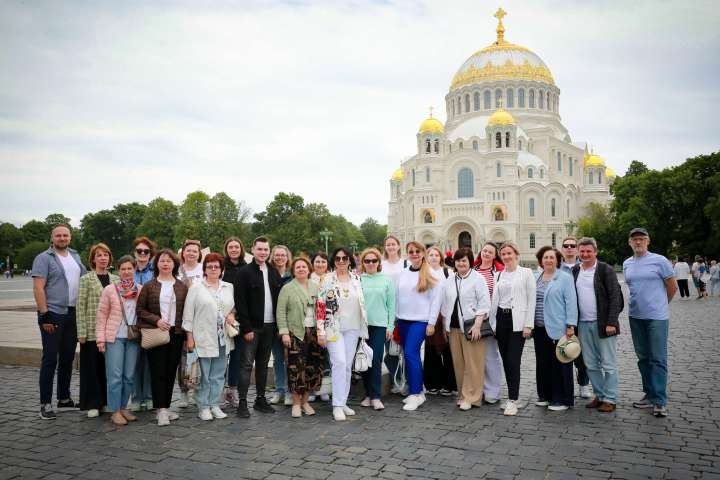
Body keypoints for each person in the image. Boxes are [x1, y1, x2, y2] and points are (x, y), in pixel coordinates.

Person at [32, 224, 87, 419]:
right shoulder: (44, 258)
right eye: (58, 235)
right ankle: (45, 403)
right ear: (52, 237)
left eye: (65, 235)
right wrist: (43, 313)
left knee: (67, 357)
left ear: (70, 237)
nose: (62, 238)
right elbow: (39, 288)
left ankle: (64, 398)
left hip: (72, 313)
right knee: (50, 358)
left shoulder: (75, 255)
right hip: (53, 313)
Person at [623, 227, 678, 418]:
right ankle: (649, 393)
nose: (638, 242)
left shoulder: (660, 261)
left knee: (658, 358)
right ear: (630, 242)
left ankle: (659, 401)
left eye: (641, 239)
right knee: (643, 357)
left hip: (657, 317)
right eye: (634, 239)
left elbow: (672, 286)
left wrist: (661, 305)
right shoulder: (627, 263)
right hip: (635, 316)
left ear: (648, 241)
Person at [136, 249, 189, 426]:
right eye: (162, 261)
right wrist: (157, 320)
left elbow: (188, 311)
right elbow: (140, 310)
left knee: (170, 372)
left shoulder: (181, 286)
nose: (165, 264)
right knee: (158, 371)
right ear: (156, 264)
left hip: (176, 334)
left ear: (174, 264)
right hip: (156, 332)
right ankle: (161, 410)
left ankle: (165, 406)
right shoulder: (149, 286)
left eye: (169, 261)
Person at [182, 253, 235, 421]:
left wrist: (232, 314)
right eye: (210, 266)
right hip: (203, 337)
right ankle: (203, 406)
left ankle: (214, 404)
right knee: (204, 374)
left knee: (219, 374)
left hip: (223, 337)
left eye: (216, 266)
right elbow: (188, 315)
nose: (213, 269)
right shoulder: (196, 288)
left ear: (221, 269)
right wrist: (189, 337)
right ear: (204, 269)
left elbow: (232, 307)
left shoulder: (228, 287)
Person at [572, 237, 623, 413]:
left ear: (595, 252)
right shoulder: (576, 271)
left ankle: (610, 398)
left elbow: (615, 297)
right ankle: (600, 395)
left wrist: (611, 322)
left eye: (589, 251)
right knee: (590, 364)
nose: (585, 254)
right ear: (579, 252)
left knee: (608, 363)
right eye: (582, 251)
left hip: (603, 324)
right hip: (583, 324)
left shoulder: (604, 269)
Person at [234, 236, 282, 418]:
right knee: (246, 365)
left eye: (265, 250)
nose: (263, 252)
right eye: (259, 249)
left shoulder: (273, 272)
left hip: (270, 326)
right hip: (252, 327)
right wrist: (246, 328)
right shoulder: (244, 273)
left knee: (262, 364)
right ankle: (243, 402)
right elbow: (240, 302)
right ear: (252, 250)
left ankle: (260, 399)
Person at [318, 247, 368, 421]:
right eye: (338, 258)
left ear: (349, 260)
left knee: (347, 366)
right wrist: (321, 331)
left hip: (353, 327)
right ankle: (337, 405)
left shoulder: (356, 278)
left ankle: (343, 401)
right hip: (333, 328)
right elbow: (320, 306)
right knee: (338, 362)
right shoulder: (327, 279)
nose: (341, 261)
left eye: (344, 258)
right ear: (333, 260)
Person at [395, 241, 443, 412]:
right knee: (407, 355)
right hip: (403, 320)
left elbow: (436, 300)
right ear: (407, 254)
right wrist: (395, 319)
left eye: (417, 251)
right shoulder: (402, 274)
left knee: (411, 353)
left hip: (420, 321)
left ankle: (415, 394)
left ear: (423, 253)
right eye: (411, 251)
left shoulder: (431, 273)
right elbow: (397, 297)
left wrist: (431, 322)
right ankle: (418, 390)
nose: (414, 254)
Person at [441, 248, 491, 411]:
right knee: (459, 364)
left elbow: (484, 303)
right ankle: (463, 394)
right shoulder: (450, 280)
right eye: (458, 260)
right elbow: (445, 305)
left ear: (470, 261)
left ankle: (473, 397)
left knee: (473, 364)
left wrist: (477, 325)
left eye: (464, 260)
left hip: (471, 327)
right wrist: (445, 326)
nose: (461, 263)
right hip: (454, 327)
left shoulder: (478, 279)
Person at [489, 241, 535, 416]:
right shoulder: (499, 275)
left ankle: (513, 399)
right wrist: (493, 324)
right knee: (506, 361)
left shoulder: (526, 273)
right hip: (502, 320)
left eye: (509, 253)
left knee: (513, 360)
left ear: (516, 254)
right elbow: (495, 300)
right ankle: (513, 397)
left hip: (518, 321)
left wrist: (528, 325)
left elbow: (531, 300)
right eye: (504, 254)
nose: (506, 256)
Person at [96, 255, 142, 426]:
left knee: (129, 376)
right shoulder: (110, 289)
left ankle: (123, 407)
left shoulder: (140, 289)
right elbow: (101, 316)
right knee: (115, 376)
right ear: (118, 270)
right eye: (123, 269)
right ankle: (115, 410)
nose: (126, 272)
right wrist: (100, 339)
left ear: (134, 270)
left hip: (133, 338)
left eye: (129, 268)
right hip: (114, 337)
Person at [277, 257, 324, 418]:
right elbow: (281, 312)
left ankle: (306, 401)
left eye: (304, 266)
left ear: (309, 269)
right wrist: (284, 332)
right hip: (295, 332)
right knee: (295, 369)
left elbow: (323, 310)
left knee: (312, 367)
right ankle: (296, 403)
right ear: (293, 270)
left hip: (314, 333)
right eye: (298, 267)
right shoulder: (287, 288)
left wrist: (323, 331)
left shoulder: (316, 287)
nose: (301, 269)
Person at [533, 246, 578, 411]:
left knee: (561, 362)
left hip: (558, 327)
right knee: (543, 363)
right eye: (545, 257)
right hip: (539, 328)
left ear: (558, 260)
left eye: (552, 257)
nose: (548, 260)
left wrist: (570, 324)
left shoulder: (564, 278)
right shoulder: (536, 276)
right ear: (541, 260)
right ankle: (545, 395)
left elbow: (571, 302)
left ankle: (563, 399)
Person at [77, 243, 118, 418]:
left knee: (108, 369)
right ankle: (93, 403)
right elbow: (80, 306)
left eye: (106, 255)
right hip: (92, 332)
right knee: (91, 368)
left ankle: (108, 401)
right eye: (99, 255)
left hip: (111, 331)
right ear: (93, 259)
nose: (103, 258)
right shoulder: (86, 279)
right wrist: (82, 332)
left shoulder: (116, 279)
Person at [358, 247, 395, 410]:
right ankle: (368, 394)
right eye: (367, 261)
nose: (371, 263)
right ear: (363, 263)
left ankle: (376, 396)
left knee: (376, 359)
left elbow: (391, 305)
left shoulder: (386, 280)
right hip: (362, 326)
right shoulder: (358, 280)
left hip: (380, 326)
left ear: (379, 262)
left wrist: (390, 326)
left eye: (374, 260)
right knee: (364, 360)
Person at [560, 236, 592, 399]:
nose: (570, 248)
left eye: (573, 246)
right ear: (562, 249)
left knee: (581, 354)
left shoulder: (584, 267)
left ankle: (584, 384)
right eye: (566, 246)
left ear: (578, 249)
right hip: (561, 318)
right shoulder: (557, 268)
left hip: (582, 317)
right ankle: (564, 388)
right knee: (563, 352)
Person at [474, 242, 504, 404]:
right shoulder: (474, 270)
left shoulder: (499, 272)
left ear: (494, 255)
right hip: (475, 319)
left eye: (490, 252)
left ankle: (492, 391)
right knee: (476, 356)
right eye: (484, 250)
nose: (486, 254)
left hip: (492, 318)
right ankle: (478, 389)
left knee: (491, 355)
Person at [423, 246, 456, 397]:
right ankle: (433, 383)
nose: (434, 257)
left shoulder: (447, 272)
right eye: (431, 255)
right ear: (427, 257)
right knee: (431, 351)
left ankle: (450, 384)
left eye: (436, 255)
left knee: (447, 350)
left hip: (444, 315)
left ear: (441, 258)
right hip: (429, 316)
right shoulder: (423, 273)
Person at [176, 240, 204, 408]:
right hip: (180, 317)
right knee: (183, 357)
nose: (192, 253)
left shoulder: (203, 269)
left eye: (195, 251)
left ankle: (198, 391)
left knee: (200, 357)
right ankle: (184, 392)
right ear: (183, 253)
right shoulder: (177, 270)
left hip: (200, 318)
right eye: (189, 251)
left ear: (199, 254)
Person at [130, 236, 156, 411]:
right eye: (139, 251)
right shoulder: (128, 270)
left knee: (148, 362)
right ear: (135, 253)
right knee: (134, 362)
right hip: (131, 322)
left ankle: (148, 396)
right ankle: (136, 397)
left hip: (150, 322)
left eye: (146, 251)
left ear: (151, 254)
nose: (142, 254)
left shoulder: (154, 272)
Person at [221, 237, 247, 408]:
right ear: (226, 249)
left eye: (236, 247)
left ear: (241, 249)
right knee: (221, 354)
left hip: (240, 317)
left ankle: (232, 389)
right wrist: (227, 313)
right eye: (230, 247)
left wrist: (237, 312)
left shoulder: (247, 268)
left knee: (237, 355)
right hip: (222, 316)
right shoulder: (221, 267)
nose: (234, 249)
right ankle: (218, 390)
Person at [269, 245, 293, 407]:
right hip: (272, 322)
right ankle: (279, 390)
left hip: (290, 322)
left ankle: (291, 391)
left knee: (290, 358)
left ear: (287, 256)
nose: (279, 257)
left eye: (282, 255)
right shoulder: (268, 274)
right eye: (276, 255)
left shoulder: (292, 275)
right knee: (278, 358)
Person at [381, 235, 406, 396]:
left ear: (398, 246)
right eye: (388, 245)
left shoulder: (406, 263)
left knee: (406, 351)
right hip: (385, 313)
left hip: (404, 312)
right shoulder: (380, 265)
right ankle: (397, 380)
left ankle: (408, 381)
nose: (390, 247)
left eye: (393, 244)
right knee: (390, 351)